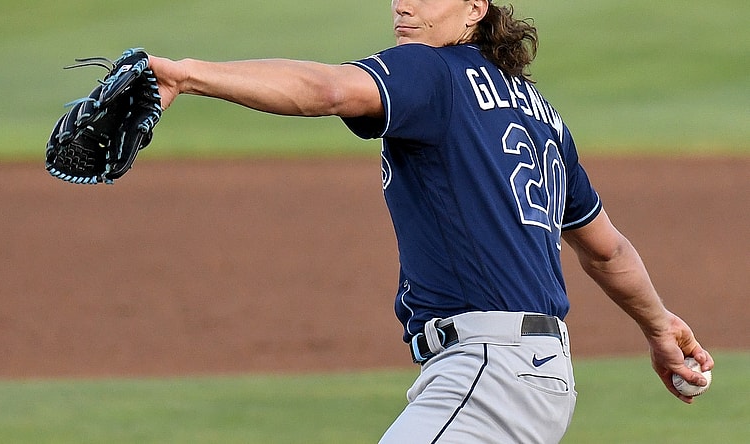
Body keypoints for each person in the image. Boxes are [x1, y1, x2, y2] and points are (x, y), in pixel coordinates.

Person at [148, 1, 714, 442]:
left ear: (475, 8)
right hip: (542, 378)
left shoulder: (431, 71)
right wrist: (659, 327)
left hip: (490, 374)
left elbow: (327, 90)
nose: (401, 7)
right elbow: (605, 249)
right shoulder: (540, 112)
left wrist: (188, 75)